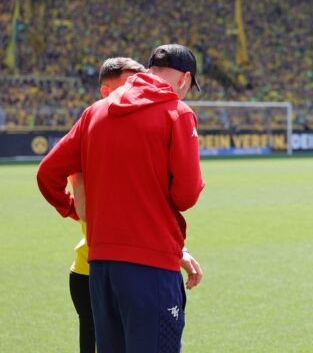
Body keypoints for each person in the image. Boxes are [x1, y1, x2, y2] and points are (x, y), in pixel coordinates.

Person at [37, 44, 205, 352]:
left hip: (100, 268)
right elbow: (186, 195)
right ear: (184, 80)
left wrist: (76, 210)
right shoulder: (177, 113)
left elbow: (47, 173)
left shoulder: (94, 112)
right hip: (152, 265)